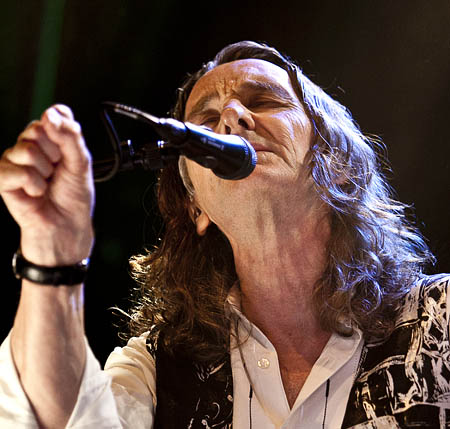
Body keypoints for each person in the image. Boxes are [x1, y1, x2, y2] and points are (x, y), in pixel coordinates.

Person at [0, 40, 448, 429]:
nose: (232, 116)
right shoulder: (158, 368)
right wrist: (50, 248)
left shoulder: (439, 319)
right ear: (197, 206)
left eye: (264, 100)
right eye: (207, 118)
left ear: (338, 166)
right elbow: (61, 418)